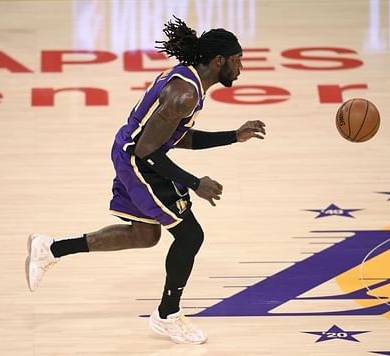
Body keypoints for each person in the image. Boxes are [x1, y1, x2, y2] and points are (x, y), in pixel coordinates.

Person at [25, 16, 266, 345]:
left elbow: (173, 137)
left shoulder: (189, 80)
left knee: (145, 234)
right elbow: (149, 150)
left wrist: (233, 137)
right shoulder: (185, 93)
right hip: (137, 161)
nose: (241, 69)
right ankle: (168, 315)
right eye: (238, 61)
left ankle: (50, 249)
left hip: (133, 151)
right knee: (190, 235)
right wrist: (195, 182)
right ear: (219, 61)